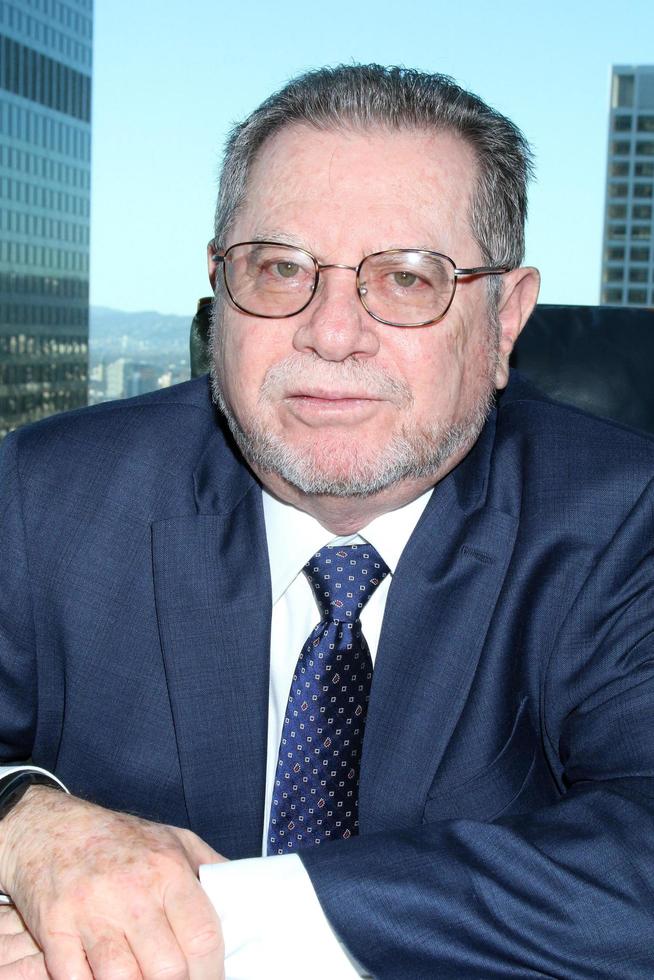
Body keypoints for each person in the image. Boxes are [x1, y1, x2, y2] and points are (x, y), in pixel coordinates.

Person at [1, 63, 654, 979]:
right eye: (279, 269)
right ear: (219, 290)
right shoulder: (47, 491)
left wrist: (206, 921)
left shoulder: (626, 517)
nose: (333, 332)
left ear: (504, 320)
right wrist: (22, 821)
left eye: (407, 278)